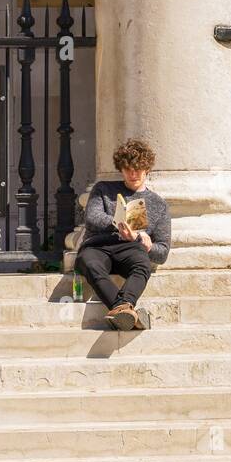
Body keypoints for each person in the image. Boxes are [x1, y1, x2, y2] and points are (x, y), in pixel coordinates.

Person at [74, 138, 171, 330]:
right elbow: (92, 217)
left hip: (132, 248)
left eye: (138, 168)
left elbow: (163, 252)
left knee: (143, 265)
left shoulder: (159, 205)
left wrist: (146, 243)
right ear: (121, 169)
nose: (133, 173)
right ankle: (125, 309)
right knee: (89, 263)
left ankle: (122, 309)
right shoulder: (103, 189)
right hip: (98, 245)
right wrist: (117, 224)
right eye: (127, 168)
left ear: (147, 169)